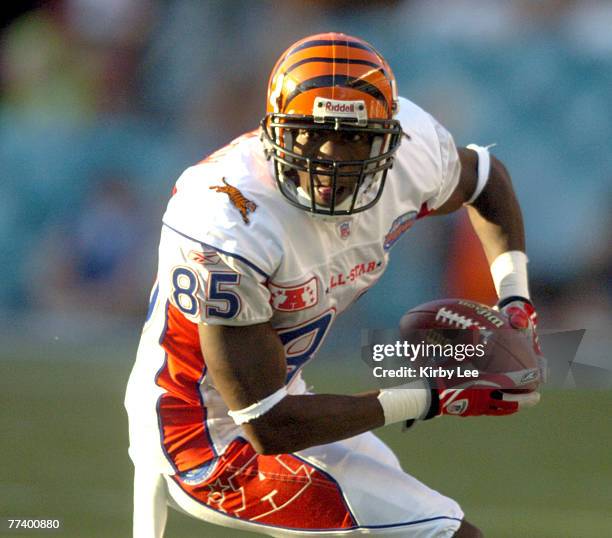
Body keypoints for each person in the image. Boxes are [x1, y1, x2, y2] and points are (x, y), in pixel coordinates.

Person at [125, 32, 541, 537]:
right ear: (276, 129)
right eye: (311, 131)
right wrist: (432, 394)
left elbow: (486, 181)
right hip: (206, 439)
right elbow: (265, 424)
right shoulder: (228, 219)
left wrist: (516, 300)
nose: (330, 154)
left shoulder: (413, 152)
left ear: (389, 138)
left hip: (284, 401)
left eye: (353, 136)